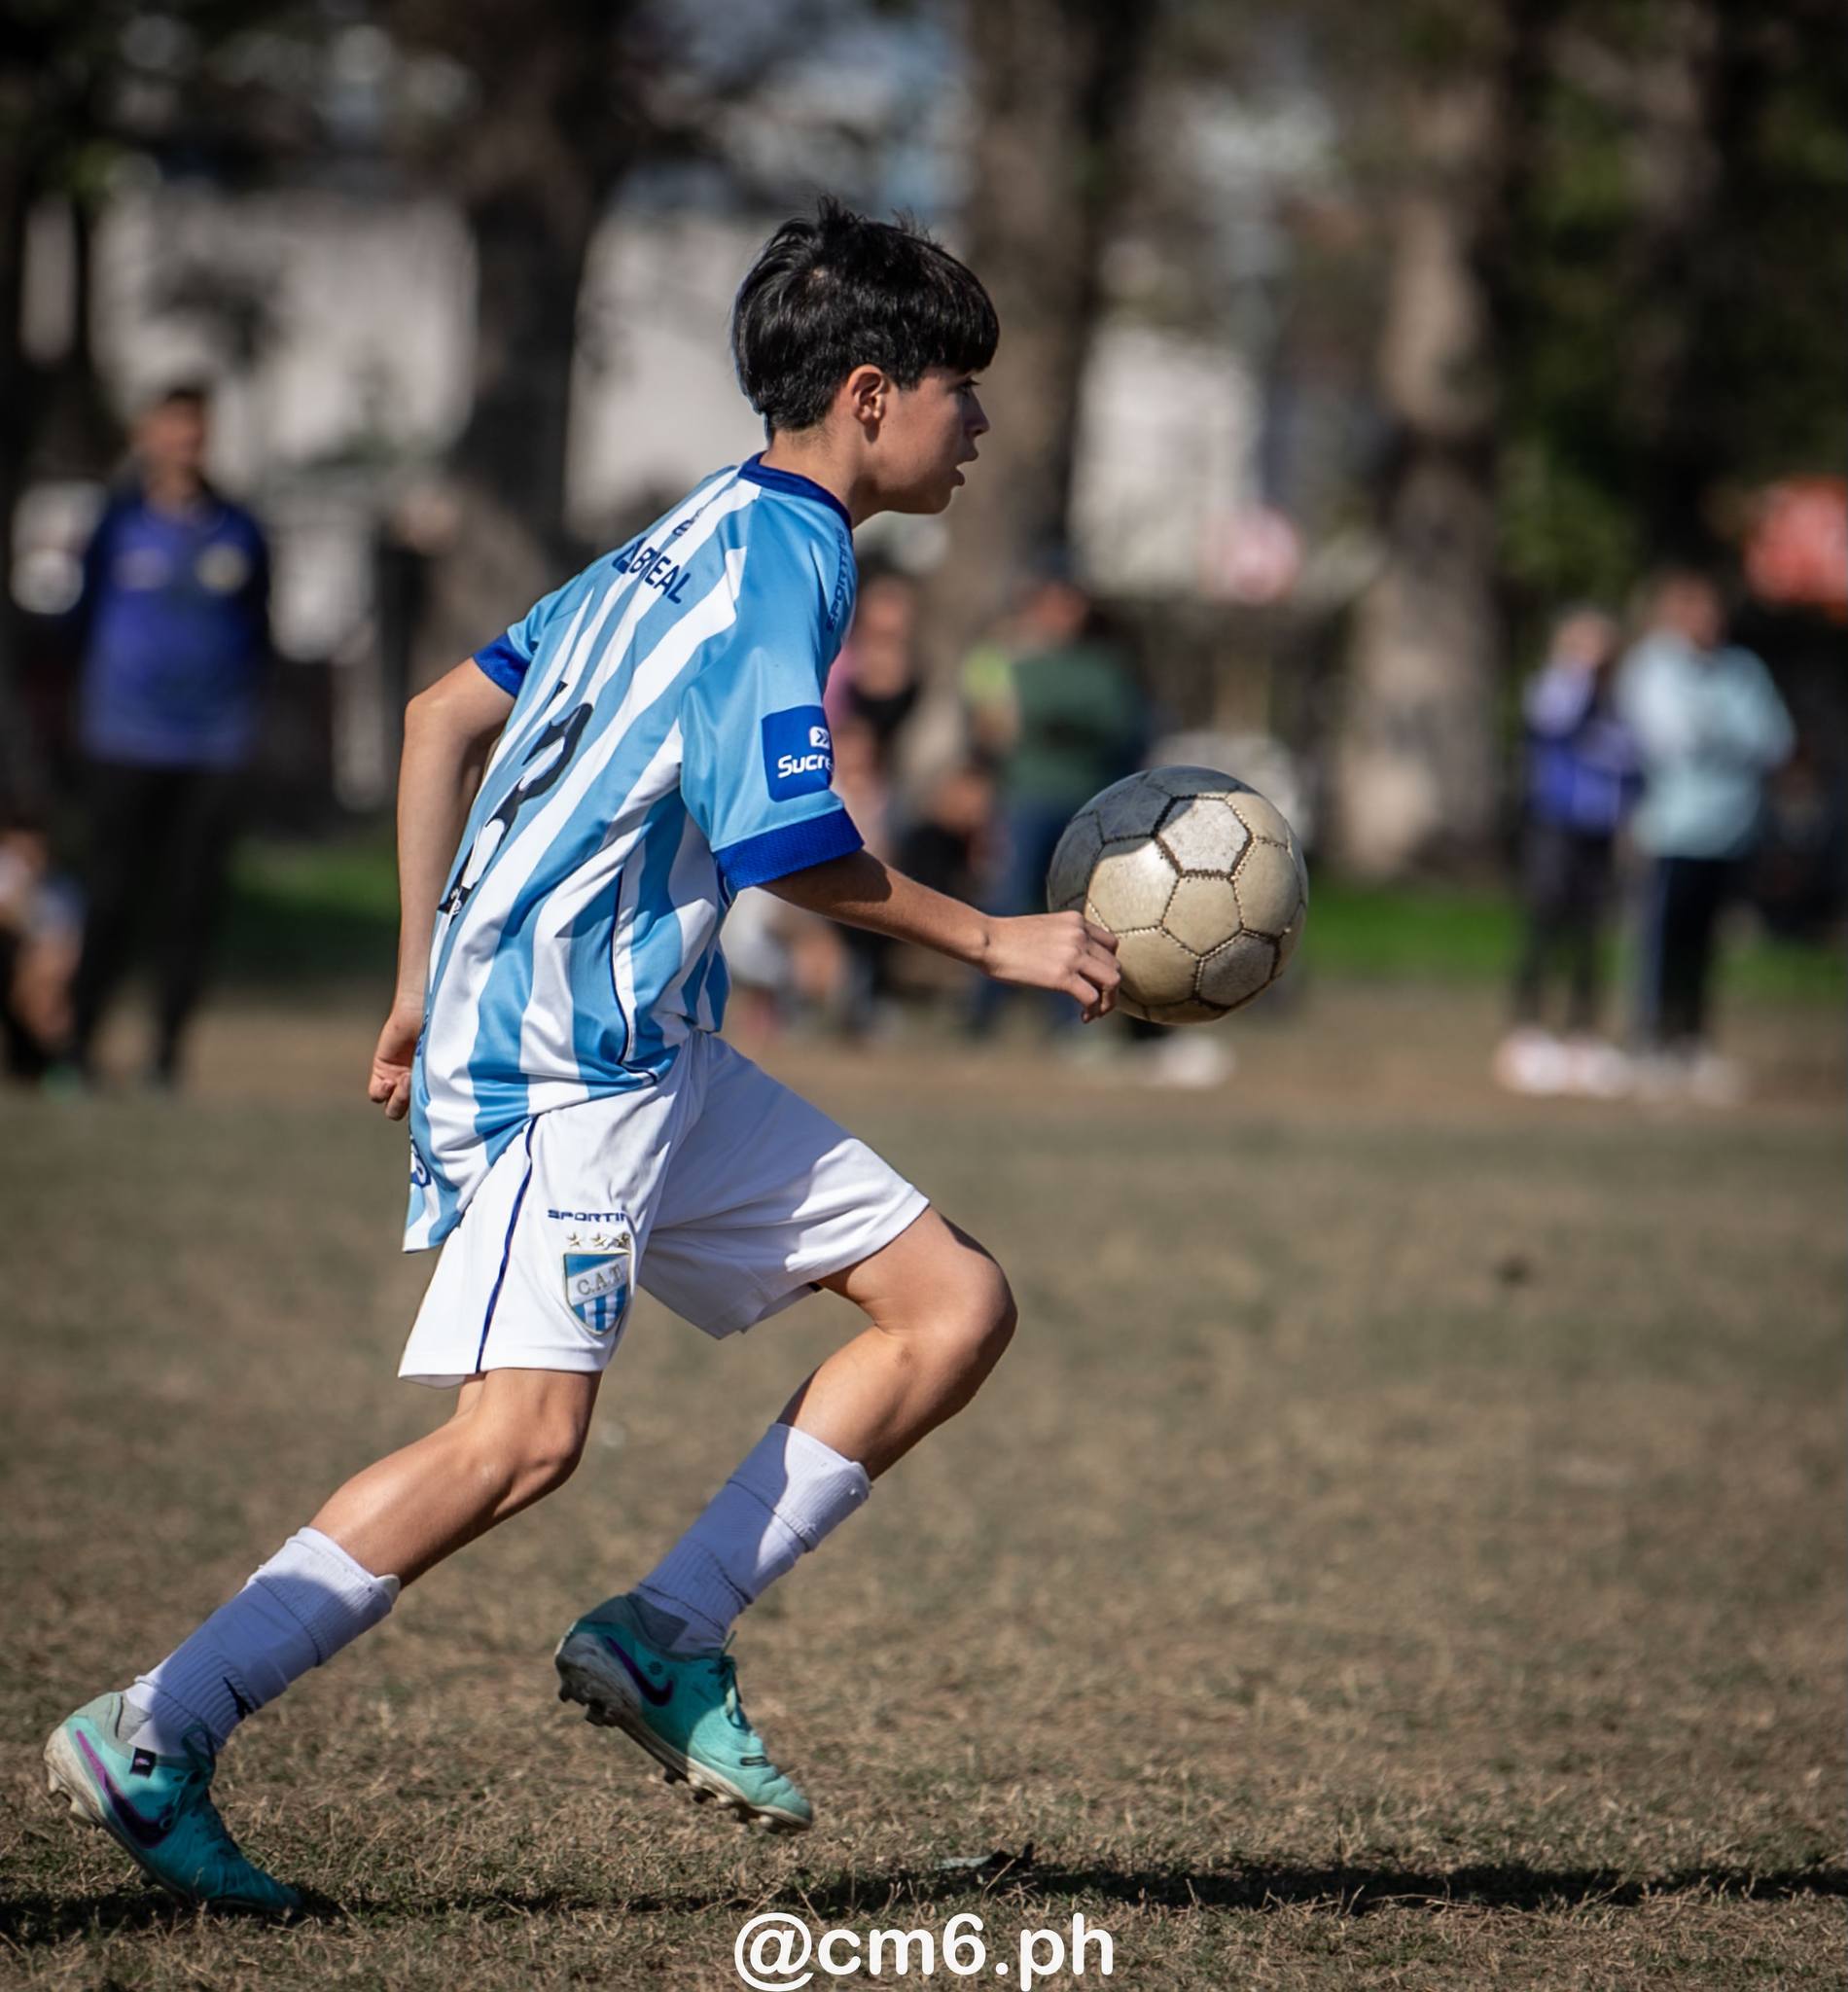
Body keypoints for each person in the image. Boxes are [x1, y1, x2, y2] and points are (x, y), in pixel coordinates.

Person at [44, 200, 1121, 1913]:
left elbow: (435, 719)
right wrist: (1000, 937)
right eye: (958, 394)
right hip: (569, 1054)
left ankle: (667, 1629)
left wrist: (417, 975)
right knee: (520, 1438)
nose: (976, 426)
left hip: (625, 1030)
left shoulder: (689, 528)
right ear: (867, 395)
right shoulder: (790, 556)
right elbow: (783, 841)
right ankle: (159, 1725)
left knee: (951, 1303)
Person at [57, 382, 271, 1086]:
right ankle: (78, 1046)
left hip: (211, 746)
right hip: (122, 739)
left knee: (191, 905)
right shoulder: (113, 525)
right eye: (171, 428)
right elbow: (78, 622)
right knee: (112, 895)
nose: (183, 442)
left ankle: (165, 1057)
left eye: (195, 430)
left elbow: (259, 633)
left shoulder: (240, 529)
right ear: (147, 434)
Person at [1617, 571, 1795, 1101]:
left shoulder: (1743, 670)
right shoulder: (1654, 666)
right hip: (1670, 829)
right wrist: (1728, 733)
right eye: (1696, 610)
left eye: (1713, 611)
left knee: (1702, 947)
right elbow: (1671, 739)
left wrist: (1717, 729)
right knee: (1660, 943)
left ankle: (1691, 1044)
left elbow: (1774, 741)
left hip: (1730, 828)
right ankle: (1648, 1044)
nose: (1708, 622)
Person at [963, 568, 1147, 1034]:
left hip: (1088, 805)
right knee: (1009, 899)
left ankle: (1069, 1017)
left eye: (1071, 604)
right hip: (1025, 798)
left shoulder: (1101, 666)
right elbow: (996, 727)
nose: (1063, 615)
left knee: (1080, 913)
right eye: (1053, 603)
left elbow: (1114, 719)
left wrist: (1046, 714)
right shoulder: (1008, 659)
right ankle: (981, 1013)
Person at [1493, 607, 1639, 1098]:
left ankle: (1583, 1034)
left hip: (1600, 830)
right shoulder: (1554, 687)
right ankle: (1528, 1031)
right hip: (1554, 825)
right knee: (1545, 923)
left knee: (1591, 932)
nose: (1596, 656)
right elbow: (1553, 720)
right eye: (1584, 644)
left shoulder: (1619, 703)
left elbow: (1634, 762)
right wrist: (1580, 671)